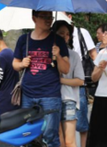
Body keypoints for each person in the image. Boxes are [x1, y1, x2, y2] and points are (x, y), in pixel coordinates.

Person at [13, 10, 70, 147]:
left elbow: (66, 69)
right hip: (27, 95)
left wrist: (58, 56)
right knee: (27, 135)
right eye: (44, 17)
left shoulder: (58, 41)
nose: (48, 20)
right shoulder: (24, 40)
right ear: (34, 18)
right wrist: (22, 64)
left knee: (49, 137)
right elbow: (15, 64)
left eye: (49, 17)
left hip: (50, 95)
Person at [64, 12, 96, 147]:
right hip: (60, 87)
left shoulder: (81, 32)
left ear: (70, 17)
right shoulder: (52, 36)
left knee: (82, 124)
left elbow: (94, 54)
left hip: (80, 83)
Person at [53, 21, 85, 147]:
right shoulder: (46, 53)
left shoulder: (74, 55)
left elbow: (80, 80)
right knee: (57, 138)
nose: (65, 36)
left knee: (69, 141)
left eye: (67, 34)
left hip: (68, 99)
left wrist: (60, 80)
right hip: (50, 98)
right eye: (61, 33)